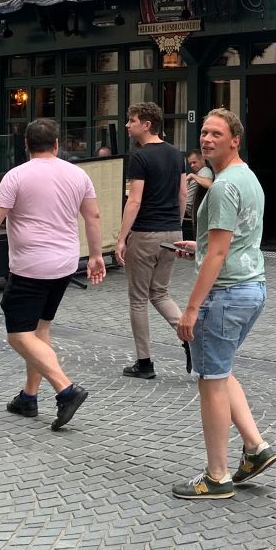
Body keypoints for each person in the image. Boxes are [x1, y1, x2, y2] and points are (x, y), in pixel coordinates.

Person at [0, 118, 106, 432]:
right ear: (55, 144)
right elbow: (92, 214)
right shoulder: (78, 174)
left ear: (25, 146)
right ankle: (29, 396)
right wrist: (94, 255)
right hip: (64, 264)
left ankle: (66, 389)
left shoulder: (16, 176)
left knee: (18, 334)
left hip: (30, 266)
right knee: (40, 328)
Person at [169, 109, 276, 500]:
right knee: (221, 369)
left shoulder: (222, 187)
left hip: (226, 295)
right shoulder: (246, 177)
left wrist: (191, 308)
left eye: (216, 133)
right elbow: (230, 241)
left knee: (211, 381)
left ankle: (217, 476)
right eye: (203, 132)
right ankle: (255, 447)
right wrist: (197, 248)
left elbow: (218, 254)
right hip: (252, 287)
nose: (207, 139)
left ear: (235, 139)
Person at [115, 102, 187, 381]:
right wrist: (176, 226)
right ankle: (190, 341)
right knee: (160, 293)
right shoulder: (176, 153)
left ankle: (144, 363)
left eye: (131, 120)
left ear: (146, 124)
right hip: (172, 232)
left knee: (138, 300)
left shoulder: (140, 157)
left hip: (145, 234)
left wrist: (121, 238)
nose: (127, 125)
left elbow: (134, 200)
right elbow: (183, 194)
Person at [183, 150, 213, 241]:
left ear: (203, 160)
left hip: (191, 214)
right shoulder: (199, 173)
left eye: (194, 162)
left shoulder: (205, 171)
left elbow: (209, 184)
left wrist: (192, 176)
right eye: (190, 163)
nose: (192, 165)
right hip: (188, 215)